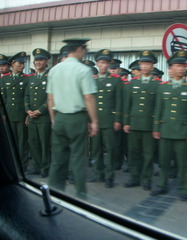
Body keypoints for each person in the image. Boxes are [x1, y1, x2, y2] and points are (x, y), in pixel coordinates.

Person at [47, 38, 98, 199]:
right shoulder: (83, 70)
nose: (85, 52)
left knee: (58, 159)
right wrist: (94, 121)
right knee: (77, 158)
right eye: (85, 49)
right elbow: (89, 97)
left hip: (60, 118)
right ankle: (81, 196)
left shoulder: (55, 70)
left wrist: (54, 119)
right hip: (77, 119)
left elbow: (50, 98)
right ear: (78, 49)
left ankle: (55, 193)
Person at [151, 50, 187, 201]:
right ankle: (162, 185)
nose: (181, 68)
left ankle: (183, 188)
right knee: (164, 161)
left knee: (182, 162)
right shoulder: (163, 87)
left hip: (182, 132)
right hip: (165, 130)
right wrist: (156, 128)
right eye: (177, 65)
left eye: (183, 65)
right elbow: (158, 109)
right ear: (170, 69)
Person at [123, 50, 160, 191]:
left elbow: (158, 107)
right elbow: (127, 104)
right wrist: (126, 122)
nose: (145, 66)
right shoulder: (132, 84)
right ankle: (134, 177)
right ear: (139, 65)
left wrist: (156, 126)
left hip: (149, 125)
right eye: (143, 63)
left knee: (148, 155)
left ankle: (147, 179)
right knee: (133, 152)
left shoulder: (158, 85)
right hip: (134, 124)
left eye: (148, 64)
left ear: (152, 66)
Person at [88, 49, 122, 188]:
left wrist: (117, 119)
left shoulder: (115, 80)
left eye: (106, 63)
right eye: (102, 62)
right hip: (96, 121)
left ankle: (109, 176)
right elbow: (88, 101)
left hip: (109, 121)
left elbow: (119, 101)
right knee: (96, 149)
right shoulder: (92, 81)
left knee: (110, 149)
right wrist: (89, 121)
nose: (104, 65)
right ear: (97, 63)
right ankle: (98, 174)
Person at [0, 51, 30, 171]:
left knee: (23, 143)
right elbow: (3, 99)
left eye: (23, 63)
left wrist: (28, 114)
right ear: (13, 63)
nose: (22, 65)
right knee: (11, 142)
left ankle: (22, 166)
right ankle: (12, 165)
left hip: (22, 115)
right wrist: (2, 113)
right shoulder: (4, 79)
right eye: (20, 63)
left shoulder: (27, 79)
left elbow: (28, 98)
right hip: (9, 115)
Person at [25, 48, 52, 178]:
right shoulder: (31, 78)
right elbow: (27, 96)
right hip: (32, 118)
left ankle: (45, 167)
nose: (38, 62)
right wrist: (28, 110)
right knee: (33, 143)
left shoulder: (50, 76)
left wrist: (40, 111)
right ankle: (37, 166)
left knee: (44, 143)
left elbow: (52, 97)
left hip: (44, 117)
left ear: (46, 61)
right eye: (36, 60)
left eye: (41, 60)